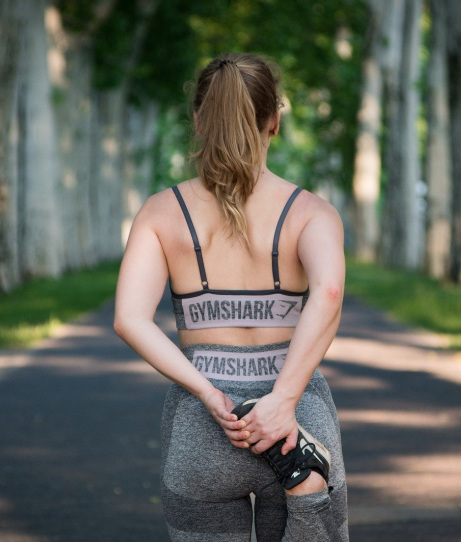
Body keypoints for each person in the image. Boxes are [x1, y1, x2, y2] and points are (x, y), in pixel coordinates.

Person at [114, 52, 348, 541]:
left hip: (205, 426)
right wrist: (282, 402)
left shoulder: (161, 213)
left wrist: (206, 392)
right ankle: (307, 494)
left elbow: (129, 319)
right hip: (295, 429)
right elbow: (327, 290)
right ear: (274, 121)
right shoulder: (312, 213)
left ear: (199, 119)